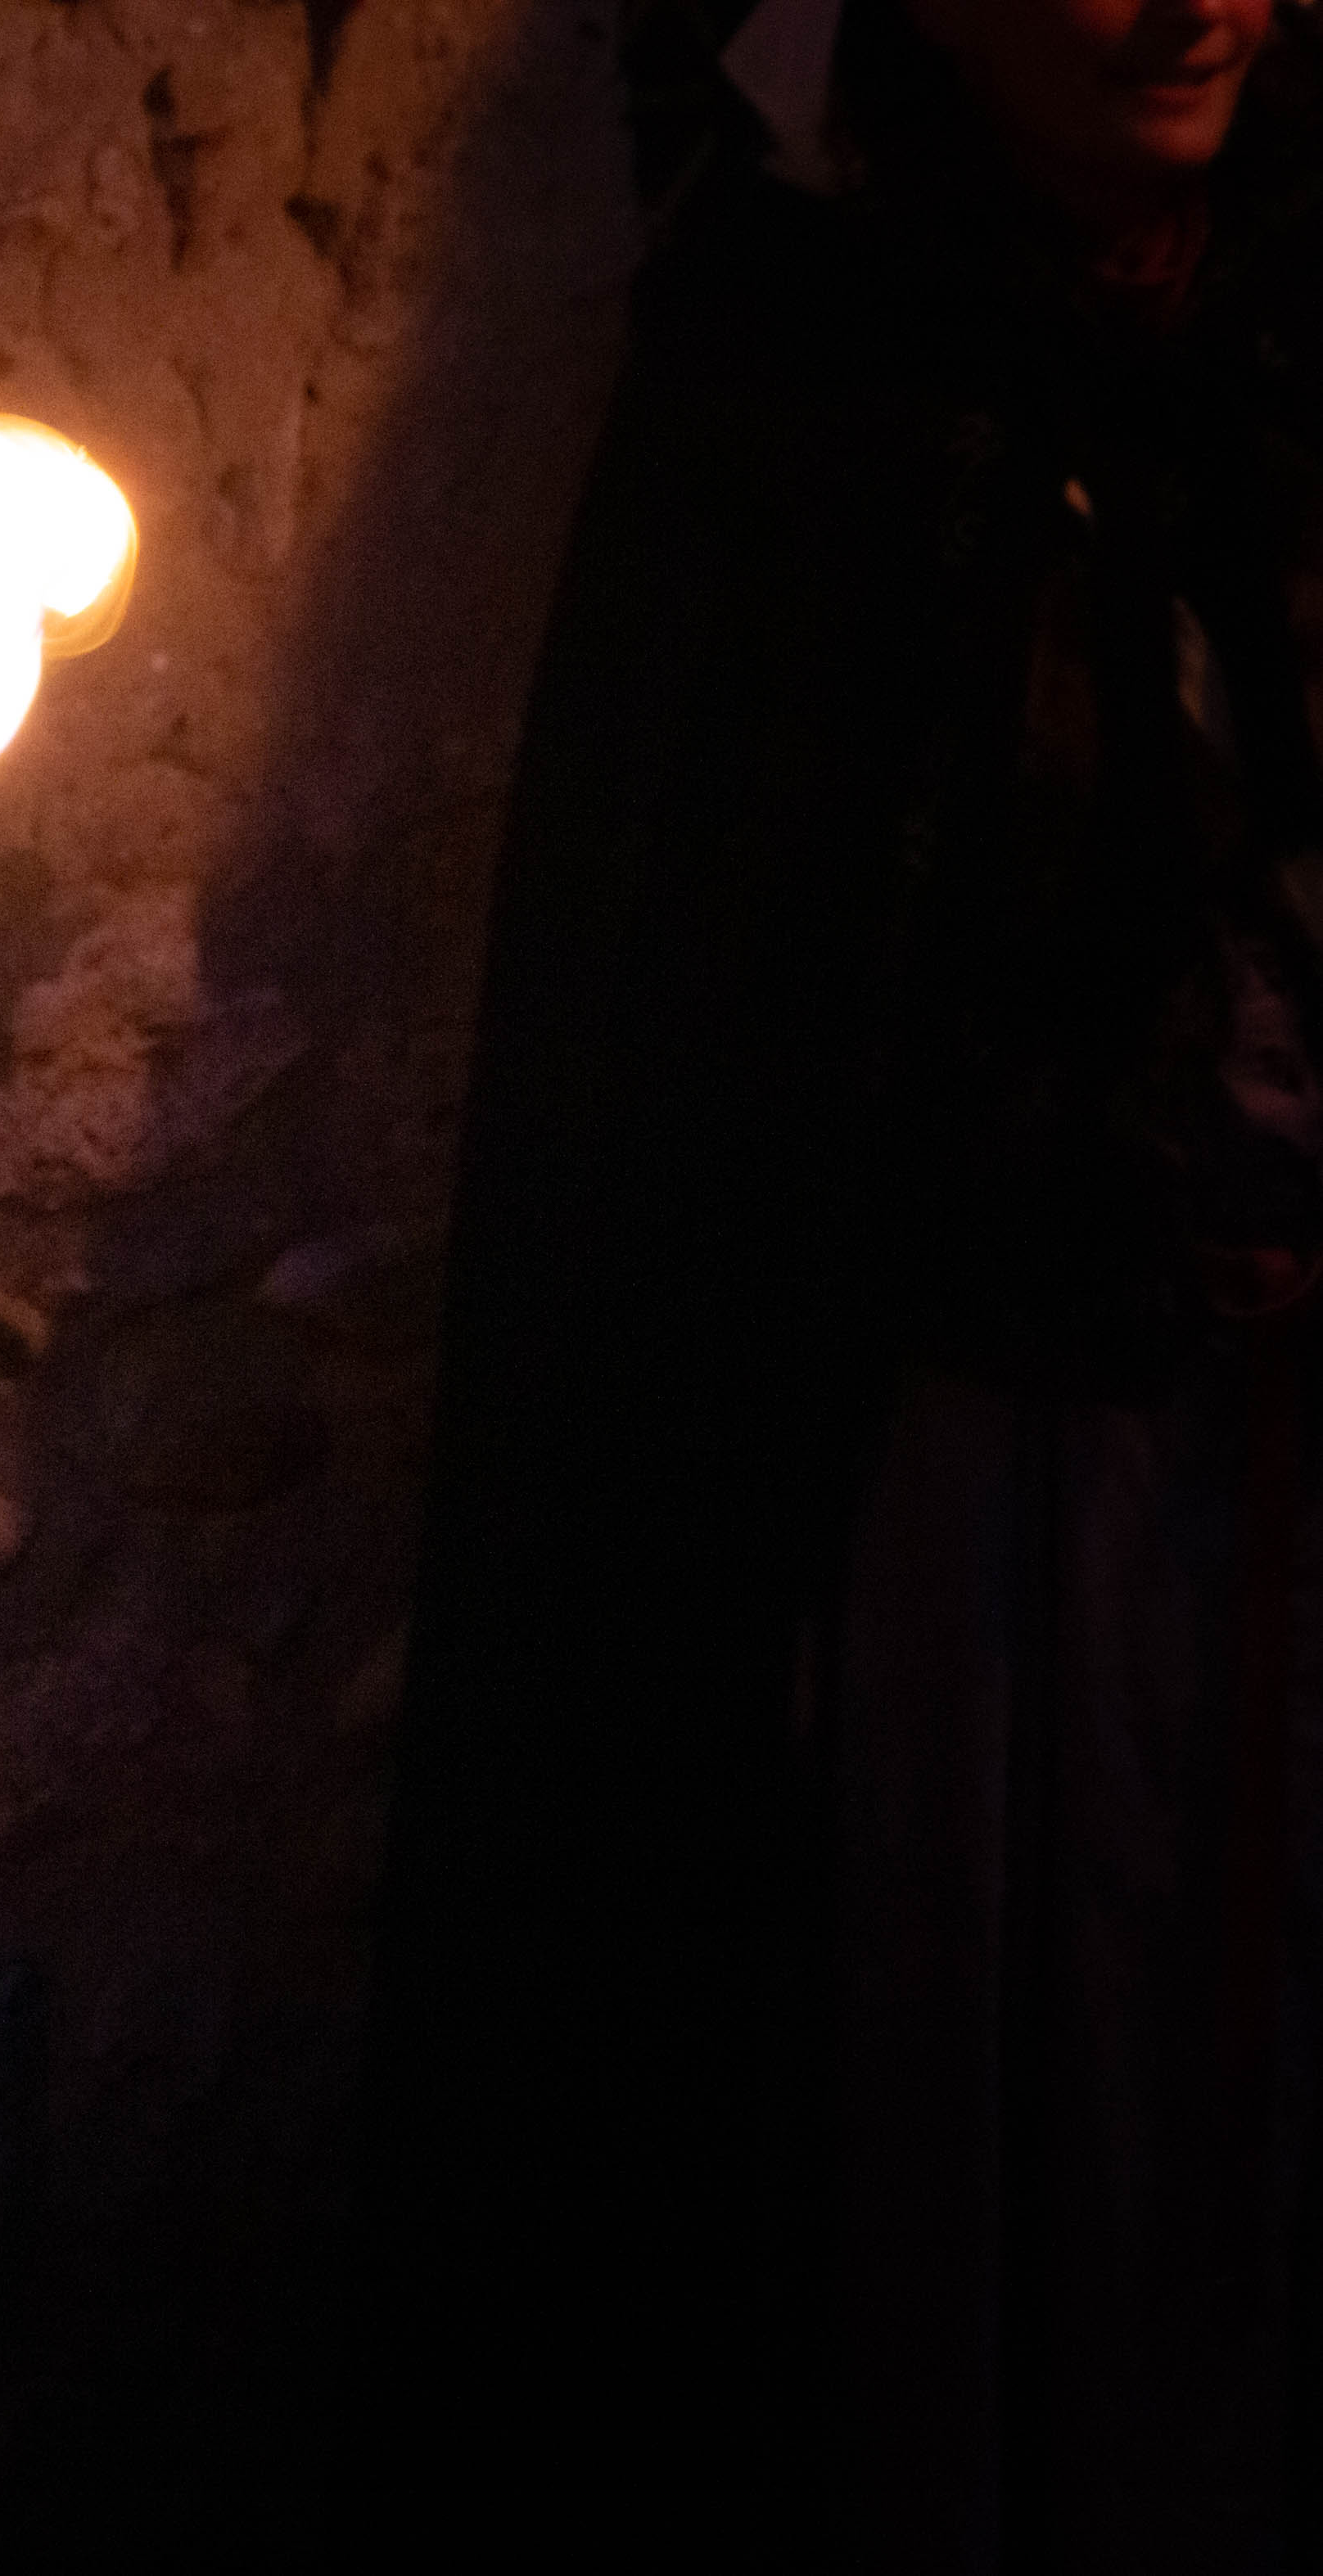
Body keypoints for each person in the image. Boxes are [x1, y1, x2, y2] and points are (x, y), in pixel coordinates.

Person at [354, 0, 1322, 2564]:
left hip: (1298, 1457)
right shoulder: (800, 389)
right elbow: (719, 1047)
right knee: (996, 2141)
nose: (1185, 2)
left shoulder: (1294, 330)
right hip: (986, 1491)